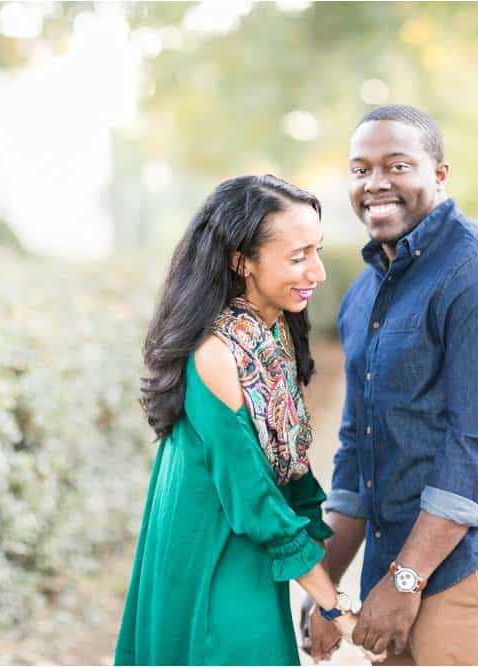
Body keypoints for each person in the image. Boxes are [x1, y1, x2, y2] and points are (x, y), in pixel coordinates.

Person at [303, 104, 478, 665]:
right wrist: (328, 587)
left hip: (475, 562)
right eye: (360, 169)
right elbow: (357, 450)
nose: (376, 183)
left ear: (439, 174)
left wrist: (406, 580)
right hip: (397, 565)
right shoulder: (365, 297)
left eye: (397, 165)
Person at [114, 175, 383, 665]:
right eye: (298, 256)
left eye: (316, 250)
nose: (317, 272)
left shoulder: (272, 329)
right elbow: (255, 499)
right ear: (242, 262)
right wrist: (333, 604)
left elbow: (291, 476)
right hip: (211, 566)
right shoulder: (216, 352)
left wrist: (322, 589)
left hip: (251, 559)